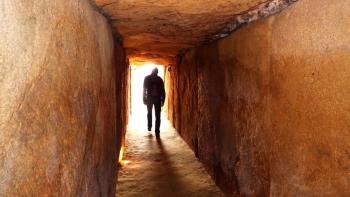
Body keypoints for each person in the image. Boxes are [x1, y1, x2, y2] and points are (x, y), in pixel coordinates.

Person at [143, 68, 166, 137]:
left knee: (158, 115)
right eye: (154, 73)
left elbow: (163, 90)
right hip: (150, 98)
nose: (155, 74)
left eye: (156, 73)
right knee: (149, 113)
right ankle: (149, 126)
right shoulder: (147, 78)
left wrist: (163, 100)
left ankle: (157, 130)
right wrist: (144, 98)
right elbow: (144, 89)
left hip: (157, 99)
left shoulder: (159, 79)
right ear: (152, 72)